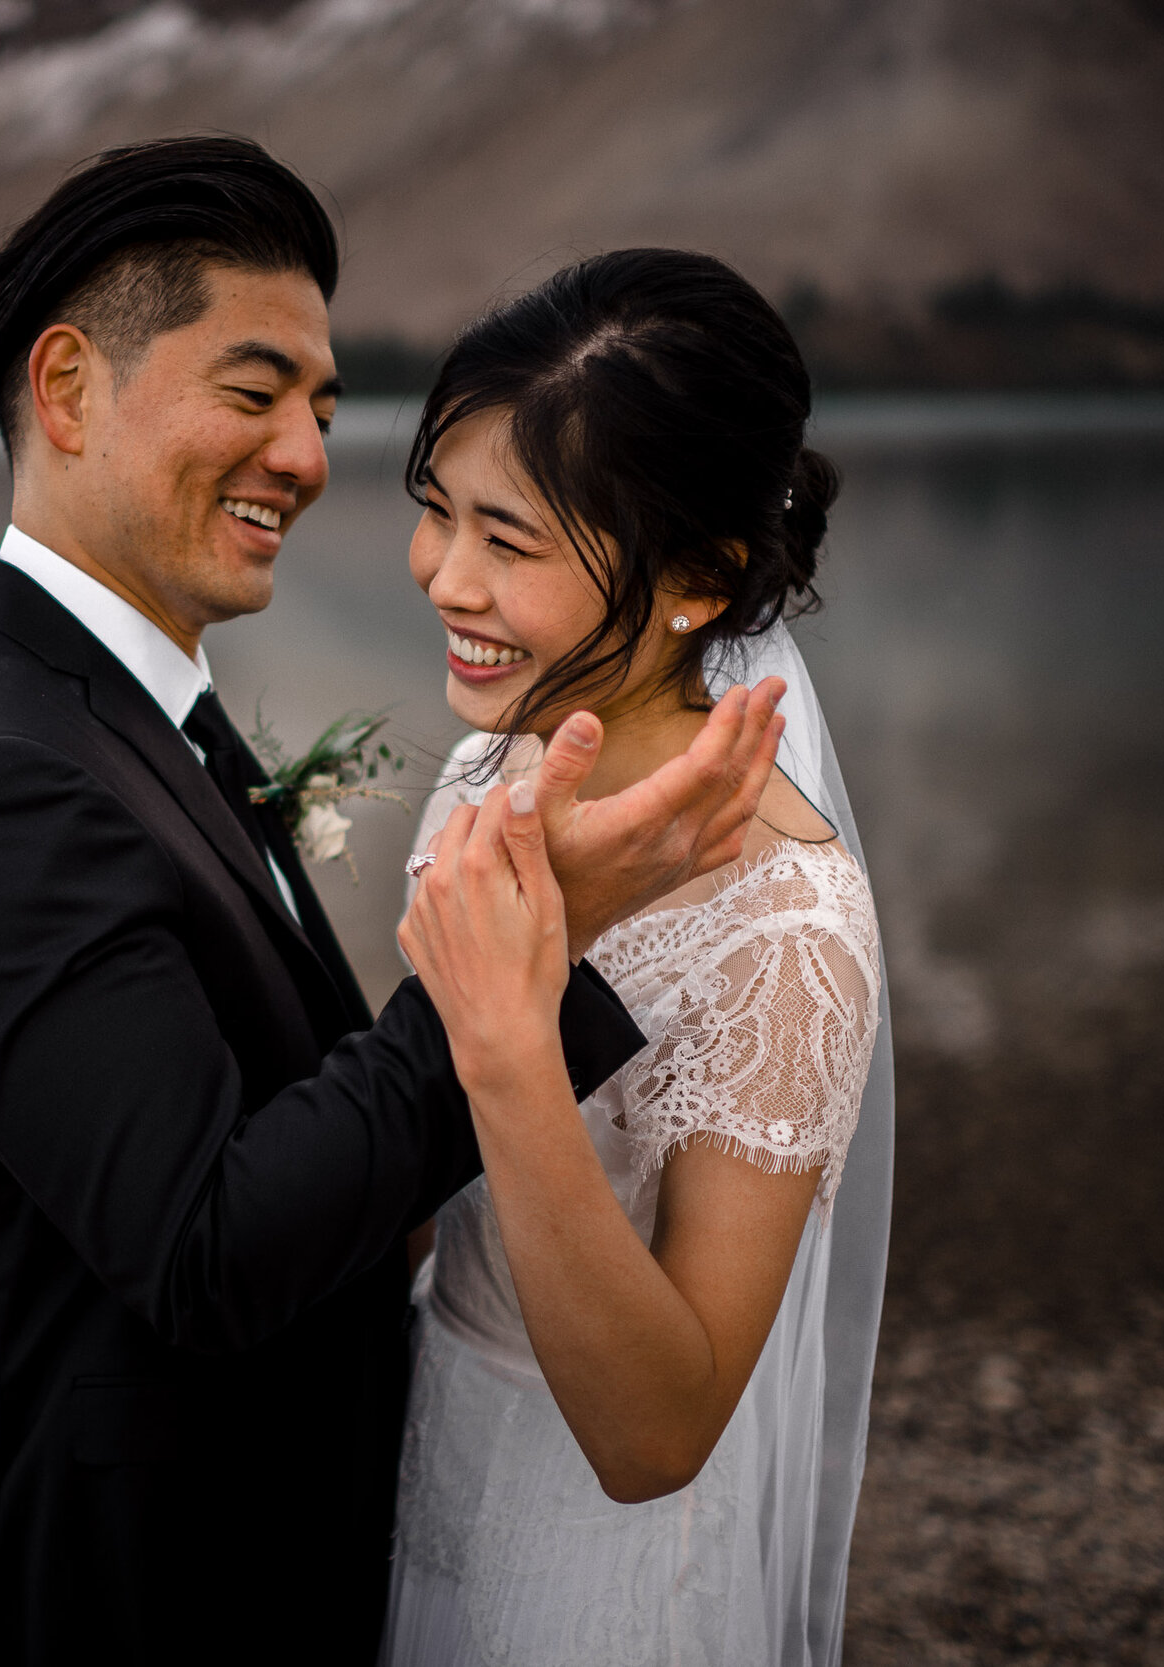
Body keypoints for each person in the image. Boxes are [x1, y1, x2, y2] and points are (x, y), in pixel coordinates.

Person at [0, 141, 789, 1666]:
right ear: (67, 391)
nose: (305, 455)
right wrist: (530, 952)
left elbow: (301, 1125)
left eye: (326, 410)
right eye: (255, 392)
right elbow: (206, 1250)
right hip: (142, 1601)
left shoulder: (124, 720)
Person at [387, 248, 895, 1665]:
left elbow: (658, 1433)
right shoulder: (495, 759)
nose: (447, 578)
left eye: (512, 539)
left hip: (593, 1568)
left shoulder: (791, 929)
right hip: (426, 1459)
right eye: (439, 514)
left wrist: (506, 1041)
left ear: (699, 576)